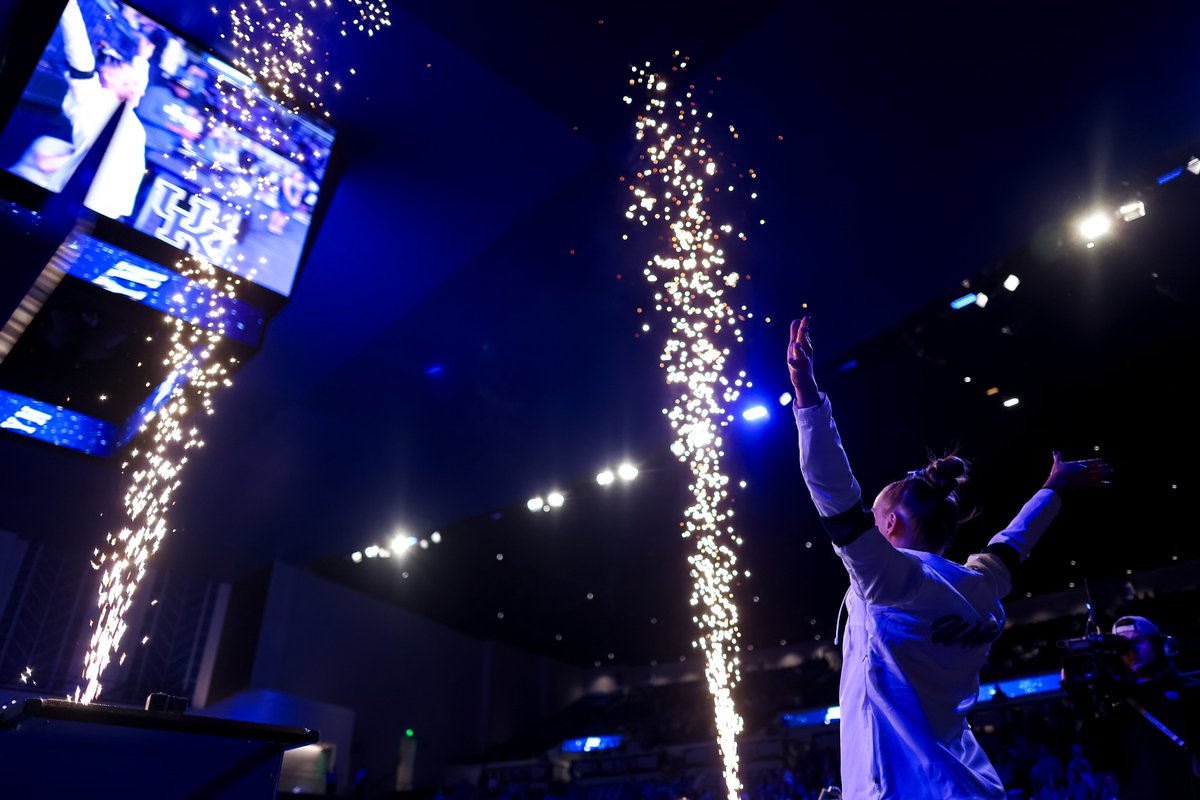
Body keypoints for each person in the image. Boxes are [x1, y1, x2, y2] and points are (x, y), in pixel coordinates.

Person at [786, 315, 1113, 799]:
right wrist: (1053, 489)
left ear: (890, 524)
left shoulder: (890, 582)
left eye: (874, 517)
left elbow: (833, 492)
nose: (867, 528)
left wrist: (809, 400)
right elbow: (1013, 543)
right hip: (969, 785)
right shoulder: (979, 586)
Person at [9, 0, 153, 219]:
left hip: (109, 207)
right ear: (109, 76)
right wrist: (70, 9)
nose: (137, 88)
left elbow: (136, 85)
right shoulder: (90, 96)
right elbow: (79, 52)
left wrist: (142, 59)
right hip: (86, 202)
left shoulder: (124, 109)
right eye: (130, 81)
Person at [1082, 614, 1200, 799]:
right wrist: (1090, 708)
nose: (1130, 650)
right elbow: (1100, 761)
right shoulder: (1114, 705)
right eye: (1122, 646)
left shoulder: (1191, 690)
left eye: (1138, 641)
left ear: (1161, 645)